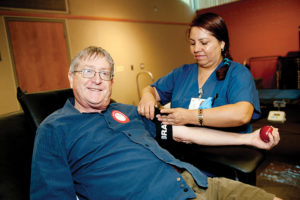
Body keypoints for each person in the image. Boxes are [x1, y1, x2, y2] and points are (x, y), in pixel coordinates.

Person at [30, 46, 281, 200]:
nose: (97, 80)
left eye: (105, 74)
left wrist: (247, 138)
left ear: (112, 82)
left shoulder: (131, 112)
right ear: (71, 78)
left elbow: (184, 134)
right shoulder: (53, 130)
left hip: (198, 183)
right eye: (88, 72)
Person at [138, 12, 260, 134]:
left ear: (222, 43)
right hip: (183, 148)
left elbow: (242, 114)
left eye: (204, 43)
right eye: (192, 43)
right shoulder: (182, 73)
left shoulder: (238, 73)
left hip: (225, 150)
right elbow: (151, 89)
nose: (196, 49)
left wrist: (189, 116)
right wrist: (147, 96)